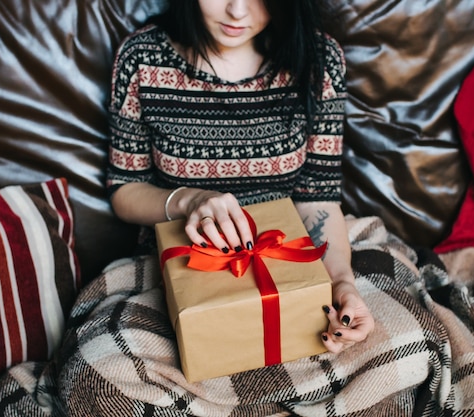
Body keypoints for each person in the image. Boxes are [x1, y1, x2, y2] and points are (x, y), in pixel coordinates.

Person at [106, 0, 374, 354]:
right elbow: (125, 189)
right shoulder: (142, 56)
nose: (237, 11)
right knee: (100, 370)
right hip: (177, 265)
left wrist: (341, 284)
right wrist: (189, 199)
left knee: (404, 345)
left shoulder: (319, 59)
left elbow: (317, 198)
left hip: (292, 261)